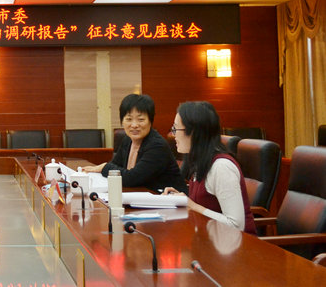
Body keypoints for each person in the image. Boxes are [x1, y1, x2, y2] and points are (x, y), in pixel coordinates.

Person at [163, 101, 256, 233]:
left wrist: (192, 206)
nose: (173, 135)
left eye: (175, 129)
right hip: (209, 239)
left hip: (237, 244)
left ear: (194, 132)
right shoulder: (200, 161)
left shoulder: (221, 167)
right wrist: (181, 199)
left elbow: (236, 225)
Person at [83, 93, 187, 193]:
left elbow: (131, 178)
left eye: (141, 120)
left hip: (171, 200)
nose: (134, 125)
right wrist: (106, 168)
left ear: (150, 121)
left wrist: (104, 167)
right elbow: (114, 165)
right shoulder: (127, 140)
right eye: (129, 119)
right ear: (122, 121)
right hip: (142, 197)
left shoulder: (157, 145)